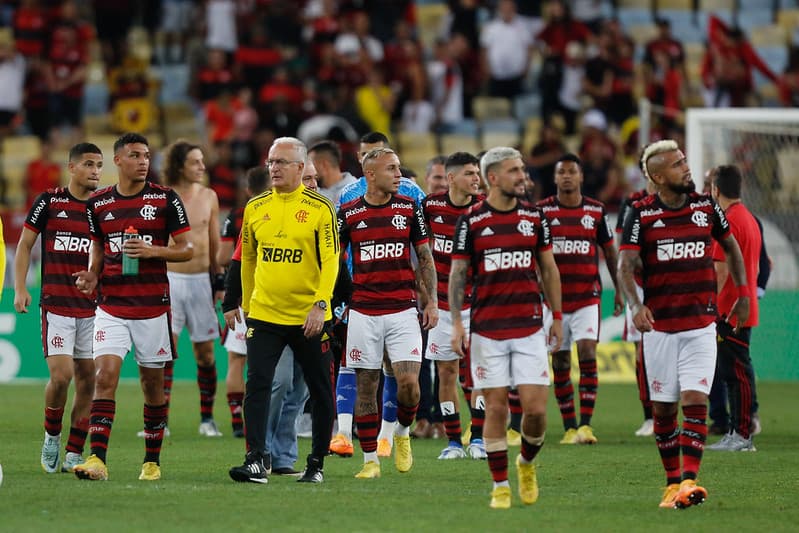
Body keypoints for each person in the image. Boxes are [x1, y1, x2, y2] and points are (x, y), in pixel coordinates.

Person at [618, 139, 749, 509]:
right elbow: (624, 266)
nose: (686, 167)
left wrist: (744, 294)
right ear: (658, 176)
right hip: (660, 329)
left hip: (700, 326)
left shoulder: (706, 206)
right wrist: (635, 305)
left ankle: (689, 481)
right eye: (676, 164)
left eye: (684, 161)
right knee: (663, 410)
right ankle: (671, 483)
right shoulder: (640, 213)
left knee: (695, 401)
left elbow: (732, 247)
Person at [72, 132, 194, 481]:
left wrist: (154, 251)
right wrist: (93, 275)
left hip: (152, 307)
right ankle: (97, 459)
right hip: (110, 306)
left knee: (152, 386)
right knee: (104, 376)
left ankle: (151, 461)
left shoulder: (165, 198)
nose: (143, 161)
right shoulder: (98, 203)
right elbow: (98, 249)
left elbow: (187, 249)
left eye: (146, 155)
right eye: (136, 155)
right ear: (118, 161)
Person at [449, 146, 563, 509]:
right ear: (493, 178)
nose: (522, 177)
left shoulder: (535, 217)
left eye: (522, 170)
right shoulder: (471, 222)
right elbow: (458, 275)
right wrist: (456, 322)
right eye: (514, 171)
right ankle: (500, 485)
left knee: (536, 410)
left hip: (529, 327)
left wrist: (557, 316)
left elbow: (548, 269)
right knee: (496, 408)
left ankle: (526, 463)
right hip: (486, 330)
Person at [228, 137, 337, 484]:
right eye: (271, 162)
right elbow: (246, 257)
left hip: (308, 316)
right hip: (265, 314)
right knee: (258, 385)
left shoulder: (321, 209)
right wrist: (247, 301)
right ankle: (256, 459)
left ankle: (316, 463)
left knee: (319, 391)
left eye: (281, 162)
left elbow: (331, 260)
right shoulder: (256, 207)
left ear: (300, 168)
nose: (273, 168)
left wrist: (321, 304)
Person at [338, 147, 438, 479]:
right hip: (363, 312)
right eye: (392, 169)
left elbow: (424, 257)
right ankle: (370, 461)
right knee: (367, 387)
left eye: (398, 168)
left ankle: (402, 433)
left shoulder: (410, 208)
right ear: (370, 175)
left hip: (403, 310)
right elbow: (332, 260)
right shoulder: (349, 213)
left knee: (409, 385)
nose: (399, 175)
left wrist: (432, 302)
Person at [14, 143, 102, 474]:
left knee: (88, 380)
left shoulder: (101, 208)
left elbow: (105, 254)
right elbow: (24, 244)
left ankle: (74, 451)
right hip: (56, 306)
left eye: (99, 165)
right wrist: (21, 287)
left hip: (92, 309)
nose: (95, 170)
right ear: (72, 167)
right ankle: (52, 435)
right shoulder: (50, 202)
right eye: (89, 164)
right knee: (62, 376)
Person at [536, 153, 622, 445]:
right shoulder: (542, 211)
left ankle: (586, 425)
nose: (567, 177)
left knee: (587, 352)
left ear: (581, 177)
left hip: (587, 297)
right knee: (559, 361)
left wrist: (620, 289)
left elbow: (610, 252)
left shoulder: (596, 211)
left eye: (572, 171)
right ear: (555, 178)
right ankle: (570, 426)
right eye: (562, 172)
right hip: (553, 302)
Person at [422, 151, 485, 460]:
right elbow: (419, 254)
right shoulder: (431, 208)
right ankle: (454, 442)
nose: (476, 178)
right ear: (450, 178)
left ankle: (479, 438)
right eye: (470, 173)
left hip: (478, 307)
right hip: (443, 308)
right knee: (446, 373)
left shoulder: (485, 209)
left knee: (478, 374)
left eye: (477, 173)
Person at [161, 140, 225, 437]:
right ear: (179, 166)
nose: (202, 167)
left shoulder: (209, 196)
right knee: (165, 352)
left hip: (201, 281)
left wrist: (219, 282)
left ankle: (207, 418)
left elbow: (214, 243)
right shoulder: (162, 198)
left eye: (202, 161)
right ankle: (160, 420)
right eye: (195, 162)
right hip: (170, 280)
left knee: (205, 356)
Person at [706, 165, 760, 452]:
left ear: (715, 189)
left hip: (730, 310)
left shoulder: (728, 221)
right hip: (743, 305)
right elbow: (758, 264)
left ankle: (741, 436)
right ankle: (737, 433)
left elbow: (721, 271)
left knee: (736, 373)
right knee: (736, 371)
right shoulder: (748, 218)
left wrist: (709, 305)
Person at [219, 166, 270, 438]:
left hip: (241, 298)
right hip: (271, 296)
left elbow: (224, 256)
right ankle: (263, 419)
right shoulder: (276, 213)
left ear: (248, 190)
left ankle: (237, 418)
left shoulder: (237, 215)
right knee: (266, 363)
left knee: (237, 359)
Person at [615, 181, 656, 437]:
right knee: (641, 353)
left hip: (672, 287)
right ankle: (650, 416)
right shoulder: (633, 204)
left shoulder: (689, 202)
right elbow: (624, 247)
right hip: (640, 286)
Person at [308, 140, 358, 205]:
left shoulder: (356, 192)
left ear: (324, 166)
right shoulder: (313, 192)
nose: (307, 171)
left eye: (310, 165)